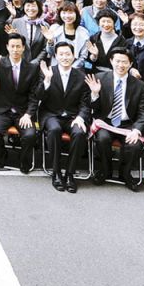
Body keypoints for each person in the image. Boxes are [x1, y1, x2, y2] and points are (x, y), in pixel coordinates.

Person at [31, 40, 90, 193]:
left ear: (74, 56)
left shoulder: (81, 76)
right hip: (51, 114)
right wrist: (47, 80)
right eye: (61, 54)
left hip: (72, 116)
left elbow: (85, 103)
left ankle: (70, 174)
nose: (65, 57)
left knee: (79, 132)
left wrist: (81, 117)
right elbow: (38, 96)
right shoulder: (47, 71)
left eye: (68, 54)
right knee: (55, 129)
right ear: (56, 56)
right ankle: (56, 172)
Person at [89, 47, 144, 190]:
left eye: (124, 62)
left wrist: (137, 130)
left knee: (134, 144)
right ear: (111, 61)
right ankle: (105, 170)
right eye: (117, 61)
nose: (121, 65)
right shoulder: (100, 78)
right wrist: (95, 94)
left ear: (130, 64)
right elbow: (93, 107)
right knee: (102, 138)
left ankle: (125, 174)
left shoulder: (139, 85)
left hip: (127, 124)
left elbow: (143, 113)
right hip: (105, 122)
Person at [0, 33, 40, 173]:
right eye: (12, 46)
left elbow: (34, 95)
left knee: (30, 135)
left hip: (23, 112)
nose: (15, 50)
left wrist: (29, 114)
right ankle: (2, 154)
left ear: (23, 48)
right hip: (2, 109)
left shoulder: (32, 68)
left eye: (18, 46)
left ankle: (24, 161)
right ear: (7, 47)